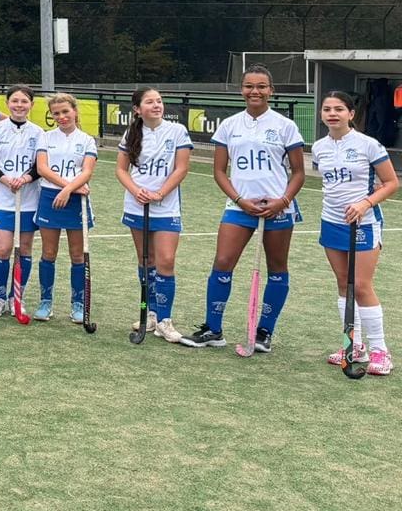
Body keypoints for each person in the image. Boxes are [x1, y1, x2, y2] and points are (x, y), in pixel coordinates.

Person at [181, 66, 305, 351]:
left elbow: (298, 172)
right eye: (249, 86)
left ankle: (264, 332)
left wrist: (282, 201)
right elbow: (220, 172)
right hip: (239, 208)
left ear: (271, 90)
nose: (255, 92)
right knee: (222, 262)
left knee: (277, 269)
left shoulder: (286, 126)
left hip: (277, 209)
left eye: (261, 86)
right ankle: (213, 329)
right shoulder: (230, 125)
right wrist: (240, 200)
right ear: (242, 90)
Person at [309, 91, 398, 376]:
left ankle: (380, 350)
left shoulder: (368, 145)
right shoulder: (319, 147)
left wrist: (364, 203)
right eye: (327, 109)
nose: (332, 114)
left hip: (364, 222)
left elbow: (391, 182)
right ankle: (353, 344)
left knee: (360, 284)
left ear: (350, 113)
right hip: (331, 221)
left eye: (338, 109)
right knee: (342, 283)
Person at [115, 87, 193, 343]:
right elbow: (121, 170)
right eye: (150, 102)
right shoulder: (131, 133)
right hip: (137, 205)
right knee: (145, 261)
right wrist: (137, 191)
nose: (157, 105)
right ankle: (150, 314)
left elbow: (181, 168)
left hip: (166, 206)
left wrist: (160, 193)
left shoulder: (177, 131)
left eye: (159, 101)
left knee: (166, 261)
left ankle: (165, 320)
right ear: (138, 109)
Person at [33, 93, 97, 323]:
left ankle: (78, 303)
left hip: (76, 198)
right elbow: (42, 168)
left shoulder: (87, 140)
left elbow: (87, 171)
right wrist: (67, 187)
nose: (61, 117)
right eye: (56, 113)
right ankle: (45, 302)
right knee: (48, 253)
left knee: (77, 255)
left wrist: (69, 190)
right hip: (52, 196)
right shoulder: (45, 137)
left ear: (75, 111)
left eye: (65, 112)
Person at [0, 85, 42, 318]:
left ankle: (16, 296)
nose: (19, 105)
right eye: (15, 101)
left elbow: (40, 166)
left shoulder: (39, 133)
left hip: (28, 199)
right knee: (4, 248)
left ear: (31, 105)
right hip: (4, 199)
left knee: (24, 249)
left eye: (24, 102)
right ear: (7, 103)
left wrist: (26, 178)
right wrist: (6, 180)